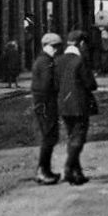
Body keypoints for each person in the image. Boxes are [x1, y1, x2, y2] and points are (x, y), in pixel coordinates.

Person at [56, 30, 98, 186]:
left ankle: (77, 173)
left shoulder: (58, 61)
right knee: (79, 137)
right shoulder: (81, 61)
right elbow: (91, 84)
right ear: (81, 43)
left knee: (71, 137)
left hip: (63, 105)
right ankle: (68, 168)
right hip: (79, 105)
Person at [31, 33, 63, 185]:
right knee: (48, 137)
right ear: (46, 46)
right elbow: (46, 85)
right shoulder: (45, 61)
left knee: (50, 137)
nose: (56, 49)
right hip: (45, 104)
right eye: (54, 46)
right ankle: (42, 171)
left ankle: (46, 170)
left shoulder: (44, 60)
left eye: (58, 46)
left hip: (45, 104)